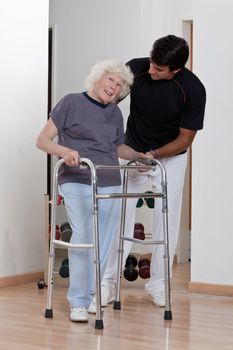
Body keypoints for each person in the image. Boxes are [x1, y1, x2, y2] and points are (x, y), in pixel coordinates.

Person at [36, 60, 148, 323]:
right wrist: (65, 151)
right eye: (111, 80)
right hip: (76, 178)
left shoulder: (114, 113)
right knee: (84, 236)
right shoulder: (70, 102)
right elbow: (42, 140)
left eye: (119, 85)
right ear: (97, 78)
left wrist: (138, 157)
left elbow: (118, 147)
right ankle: (77, 301)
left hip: (109, 180)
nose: (115, 87)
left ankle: (90, 295)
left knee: (104, 240)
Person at [100, 34, 206, 308]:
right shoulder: (136, 68)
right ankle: (108, 283)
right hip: (133, 152)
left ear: (176, 70)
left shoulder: (193, 89)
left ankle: (158, 284)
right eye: (151, 63)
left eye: (159, 69)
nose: (151, 70)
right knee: (119, 218)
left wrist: (155, 155)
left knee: (166, 222)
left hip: (169, 158)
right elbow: (108, 101)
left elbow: (186, 138)